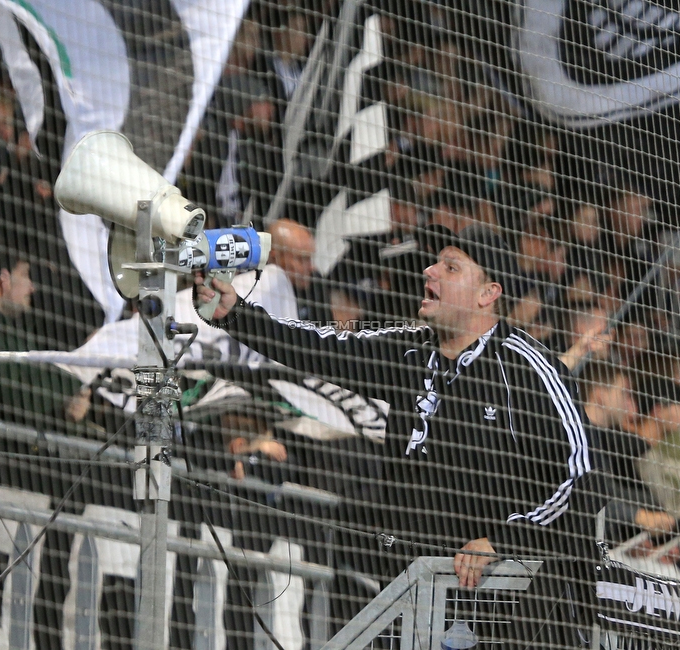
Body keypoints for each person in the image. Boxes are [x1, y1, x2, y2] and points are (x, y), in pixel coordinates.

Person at [196, 224, 605, 644]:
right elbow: (318, 346)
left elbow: (586, 474)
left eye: (450, 267)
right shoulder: (408, 348)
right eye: (435, 263)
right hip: (412, 595)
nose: (430, 271)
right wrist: (236, 315)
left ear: (488, 294)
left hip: (507, 609)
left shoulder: (528, 368)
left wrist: (502, 541)